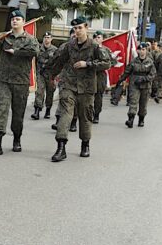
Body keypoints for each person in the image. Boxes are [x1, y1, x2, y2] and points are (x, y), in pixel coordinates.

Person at [47, 16, 111, 161]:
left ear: (86, 28)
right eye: (75, 28)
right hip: (69, 84)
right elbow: (60, 61)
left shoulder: (95, 46)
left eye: (80, 28)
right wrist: (52, 77)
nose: (77, 31)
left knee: (85, 117)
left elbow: (106, 63)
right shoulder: (69, 45)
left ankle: (85, 144)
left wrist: (87, 64)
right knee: (65, 114)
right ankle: (61, 147)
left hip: (87, 88)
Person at [0, 10, 40, 156]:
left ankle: (16, 139)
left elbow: (34, 51)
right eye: (13, 19)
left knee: (18, 114)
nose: (15, 21)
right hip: (3, 80)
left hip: (20, 82)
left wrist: (15, 51)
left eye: (18, 19)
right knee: (1, 110)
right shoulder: (5, 36)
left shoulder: (30, 39)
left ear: (23, 22)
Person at [118, 43, 156, 128]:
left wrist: (144, 79)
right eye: (140, 50)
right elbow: (127, 71)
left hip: (145, 85)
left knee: (143, 103)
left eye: (144, 50)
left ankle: (141, 119)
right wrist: (121, 79)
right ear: (138, 51)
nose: (142, 51)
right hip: (134, 84)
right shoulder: (134, 61)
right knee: (133, 102)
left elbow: (153, 74)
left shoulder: (150, 62)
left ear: (146, 51)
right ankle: (130, 119)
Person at [31, 32, 58, 120]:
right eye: (45, 37)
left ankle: (48, 110)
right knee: (39, 92)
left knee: (50, 93)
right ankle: (37, 111)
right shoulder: (38, 48)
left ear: (51, 39)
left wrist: (56, 76)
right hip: (40, 74)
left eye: (48, 37)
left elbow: (57, 63)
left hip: (50, 75)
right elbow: (33, 60)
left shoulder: (55, 50)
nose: (46, 39)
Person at [92, 30, 112, 124]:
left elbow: (110, 63)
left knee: (98, 96)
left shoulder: (106, 50)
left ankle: (96, 114)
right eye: (95, 37)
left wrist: (96, 65)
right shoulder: (89, 49)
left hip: (100, 75)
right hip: (90, 75)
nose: (97, 39)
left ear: (102, 39)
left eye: (99, 37)